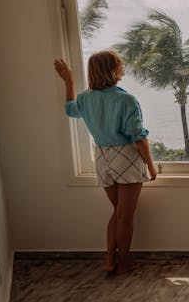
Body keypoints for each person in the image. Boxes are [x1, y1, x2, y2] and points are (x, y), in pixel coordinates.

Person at [54, 51, 157, 274]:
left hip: (101, 157)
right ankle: (125, 264)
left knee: (118, 211)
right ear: (113, 70)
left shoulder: (85, 98)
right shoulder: (126, 99)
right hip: (125, 157)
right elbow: (138, 137)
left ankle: (110, 261)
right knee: (125, 215)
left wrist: (69, 81)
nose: (123, 69)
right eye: (120, 65)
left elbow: (70, 109)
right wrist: (150, 164)